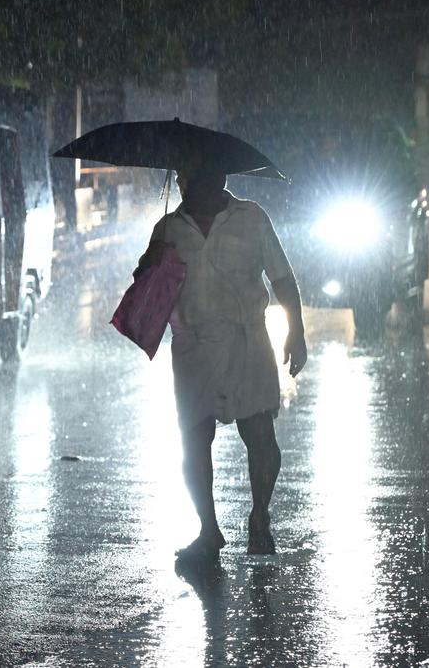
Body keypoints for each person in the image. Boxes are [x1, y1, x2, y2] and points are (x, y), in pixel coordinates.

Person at [135, 165, 307, 565]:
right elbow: (146, 285)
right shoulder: (168, 228)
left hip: (247, 341)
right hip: (192, 347)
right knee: (194, 441)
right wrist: (150, 264)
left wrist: (295, 331)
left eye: (190, 174)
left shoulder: (252, 217)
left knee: (261, 436)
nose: (183, 182)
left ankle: (260, 515)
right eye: (181, 176)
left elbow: (282, 278)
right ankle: (208, 530)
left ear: (217, 178)